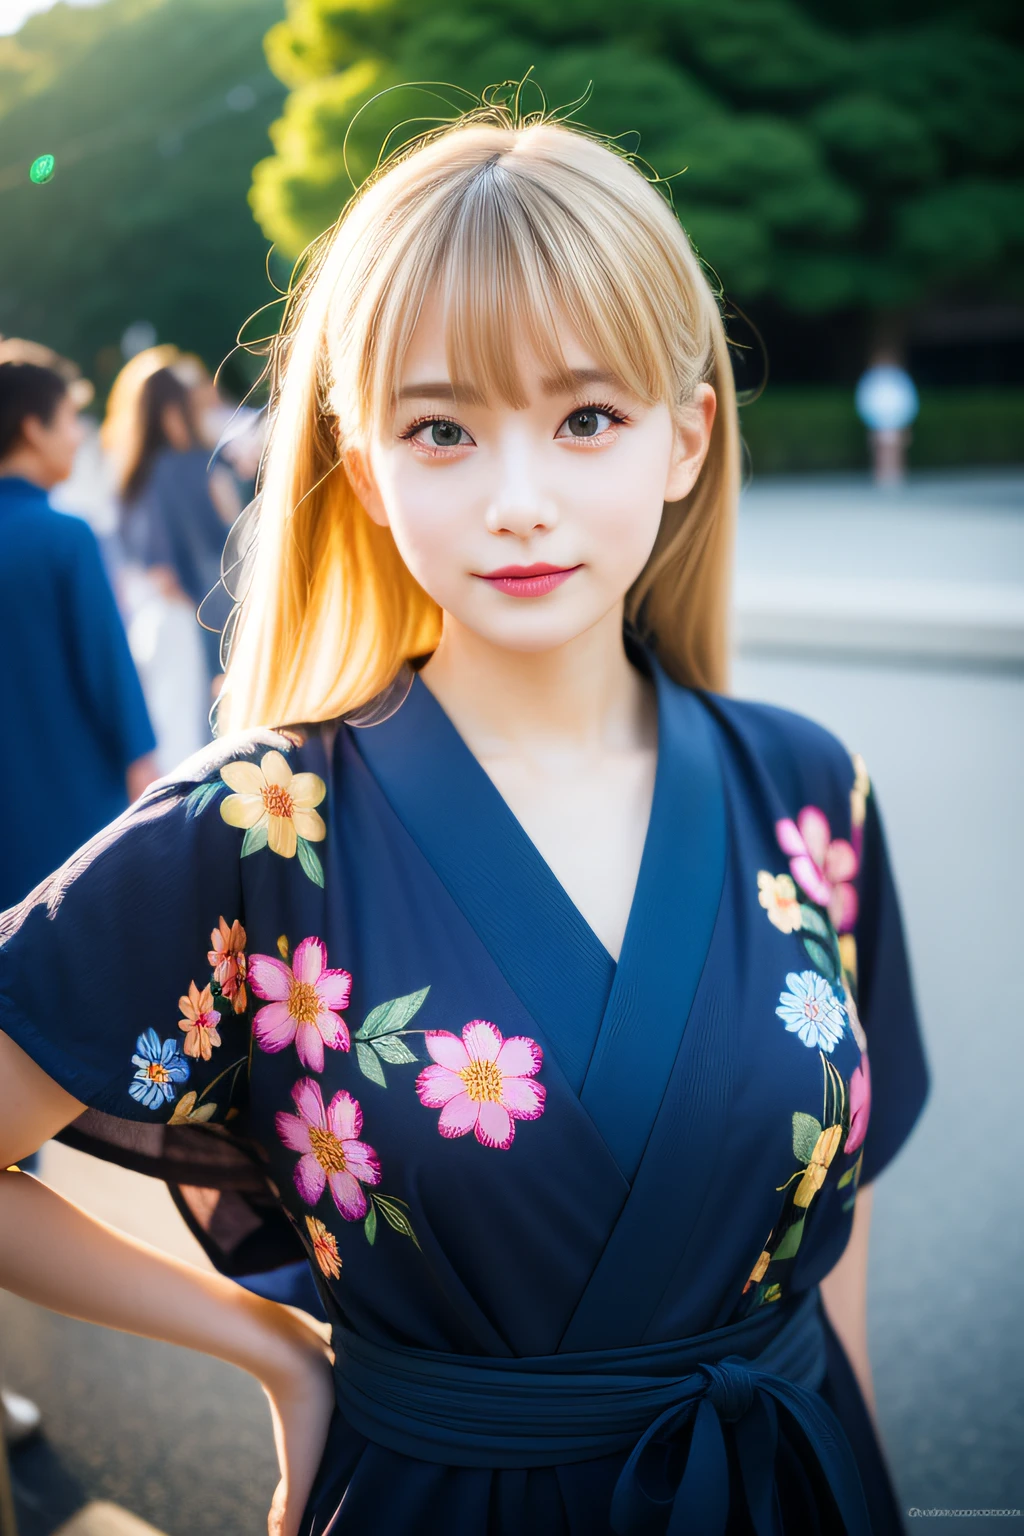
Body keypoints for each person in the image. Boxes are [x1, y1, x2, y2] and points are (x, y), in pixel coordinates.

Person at [0, 102, 930, 1536]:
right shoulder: (259, 830)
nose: (518, 500)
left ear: (685, 438)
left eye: (586, 418)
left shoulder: (811, 792)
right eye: (442, 427)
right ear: (364, 471)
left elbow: (833, 1217)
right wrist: (274, 1353)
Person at [0, 347, 158, 912]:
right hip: (72, 811)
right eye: (68, 420)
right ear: (33, 428)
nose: (77, 437)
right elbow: (108, 669)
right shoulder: (64, 536)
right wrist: (145, 766)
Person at [105, 351, 243, 695]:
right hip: (219, 621)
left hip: (171, 627)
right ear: (171, 411)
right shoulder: (190, 468)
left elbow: (153, 569)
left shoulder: (131, 480)